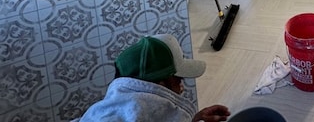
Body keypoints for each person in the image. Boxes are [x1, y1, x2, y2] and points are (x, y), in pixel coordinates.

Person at [72, 34, 230, 122]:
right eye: (178, 79)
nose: (182, 86)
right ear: (160, 84)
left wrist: (195, 118)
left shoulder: (104, 111)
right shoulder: (135, 111)